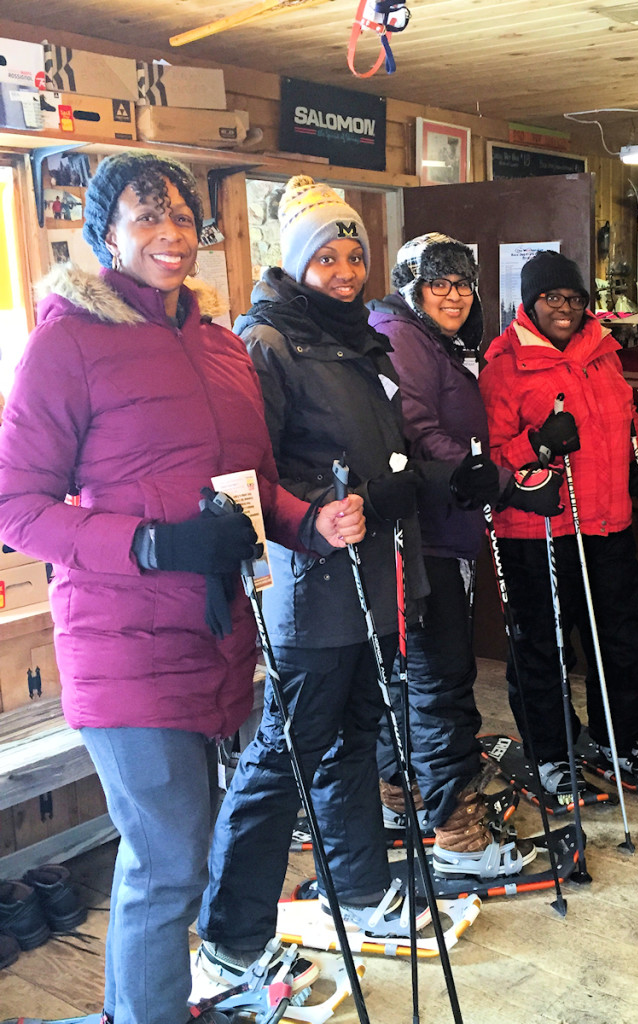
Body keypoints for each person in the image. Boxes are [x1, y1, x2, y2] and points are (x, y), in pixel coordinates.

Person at [0, 152, 358, 1024]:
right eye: (143, 217)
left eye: (181, 218)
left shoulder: (220, 344)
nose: (169, 234)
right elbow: (17, 507)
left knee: (182, 855)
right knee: (166, 864)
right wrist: (154, 544)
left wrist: (310, 522)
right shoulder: (68, 340)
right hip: (124, 648)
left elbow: (254, 481)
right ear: (105, 235)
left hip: (214, 636)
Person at [197, 178, 488, 977]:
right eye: (326, 256)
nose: (345, 268)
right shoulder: (269, 342)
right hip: (314, 585)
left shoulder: (361, 337)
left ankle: (357, 886)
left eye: (355, 254)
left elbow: (385, 449)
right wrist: (319, 510)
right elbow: (247, 469)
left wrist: (420, 482)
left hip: (381, 571)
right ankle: (231, 936)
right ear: (297, 263)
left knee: (357, 734)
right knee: (287, 752)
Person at [367, 232, 558, 875]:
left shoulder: (435, 342)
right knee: (441, 679)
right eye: (439, 283)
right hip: (424, 538)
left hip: (440, 530)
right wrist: (502, 483)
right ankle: (459, 837)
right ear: (413, 285)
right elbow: (420, 433)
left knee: (419, 673)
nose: (454, 295)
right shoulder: (401, 337)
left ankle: (402, 792)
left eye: (464, 283)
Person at [479, 250, 638, 799]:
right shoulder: (504, 365)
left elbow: (626, 423)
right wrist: (535, 444)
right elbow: (490, 459)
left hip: (606, 522)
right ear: (529, 303)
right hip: (538, 529)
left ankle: (618, 738)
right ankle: (552, 752)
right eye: (552, 298)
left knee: (622, 641)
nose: (564, 308)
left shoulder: (603, 353)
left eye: (574, 298)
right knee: (543, 647)